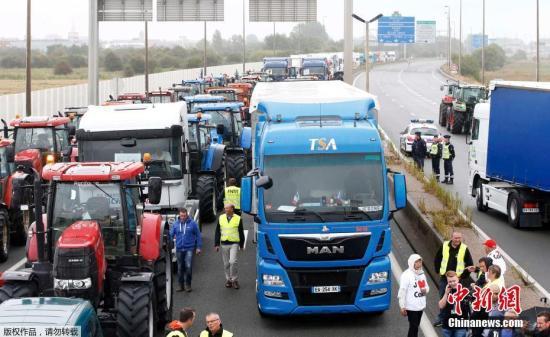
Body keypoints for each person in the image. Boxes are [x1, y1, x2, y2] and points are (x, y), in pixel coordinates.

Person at [433, 232, 475, 327]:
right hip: (445, 279)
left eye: (459, 238)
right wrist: (437, 270)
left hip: (458, 280)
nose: (457, 240)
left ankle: (458, 318)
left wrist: (462, 276)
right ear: (451, 238)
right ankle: (442, 318)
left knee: (458, 299)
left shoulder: (464, 248)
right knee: (443, 297)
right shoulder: (445, 245)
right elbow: (437, 258)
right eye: (455, 238)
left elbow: (470, 265)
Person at [170, 208, 202, 292]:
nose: (183, 217)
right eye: (181, 216)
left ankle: (188, 285)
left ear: (187, 215)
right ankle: (181, 285)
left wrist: (198, 247)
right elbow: (171, 235)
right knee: (180, 268)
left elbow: (198, 235)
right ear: (179, 215)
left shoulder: (193, 224)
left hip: (189, 249)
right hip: (179, 248)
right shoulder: (175, 224)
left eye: (184, 216)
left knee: (188, 267)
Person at [398, 254, 430, 337]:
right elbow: (402, 291)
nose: (419, 263)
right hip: (411, 307)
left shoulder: (422, 274)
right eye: (417, 261)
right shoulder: (406, 275)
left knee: (415, 327)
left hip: (420, 305)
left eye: (420, 261)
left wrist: (425, 290)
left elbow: (427, 287)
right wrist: (402, 306)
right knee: (414, 327)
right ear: (412, 263)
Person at [215, 204, 245, 289]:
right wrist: (216, 244)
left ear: (232, 209)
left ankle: (234, 280)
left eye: (227, 208)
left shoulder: (238, 218)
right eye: (225, 208)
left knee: (233, 261)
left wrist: (242, 245)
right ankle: (228, 280)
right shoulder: (221, 218)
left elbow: (241, 232)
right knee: (226, 264)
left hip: (234, 243)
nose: (225, 209)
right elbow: (217, 231)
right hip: (224, 243)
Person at [439, 271, 470, 337]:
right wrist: (446, 293)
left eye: (454, 281)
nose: (452, 283)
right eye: (450, 282)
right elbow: (441, 306)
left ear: (458, 279)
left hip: (460, 325)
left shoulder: (464, 291)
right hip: (447, 324)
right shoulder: (446, 290)